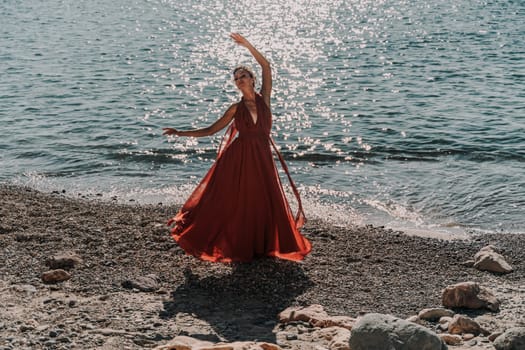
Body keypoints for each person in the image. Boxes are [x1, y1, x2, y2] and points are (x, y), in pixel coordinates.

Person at [162, 33, 311, 263]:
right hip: (239, 158)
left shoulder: (265, 100)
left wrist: (247, 45)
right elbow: (211, 130)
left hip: (262, 157)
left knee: (265, 199)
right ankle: (214, 238)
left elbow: (266, 66)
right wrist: (180, 132)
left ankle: (264, 245)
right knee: (232, 200)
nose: (240, 79)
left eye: (243, 76)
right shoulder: (235, 108)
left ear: (252, 79)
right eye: (236, 78)